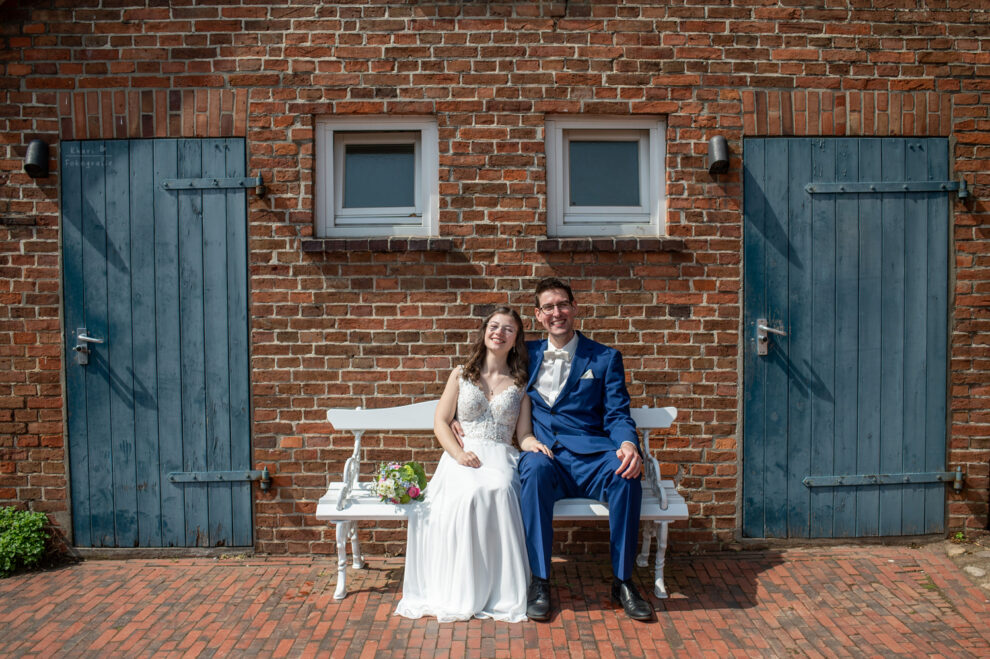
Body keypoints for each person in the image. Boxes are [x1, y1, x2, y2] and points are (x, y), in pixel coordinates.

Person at [395, 307, 554, 622]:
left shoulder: (521, 383)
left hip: (499, 454)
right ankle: (462, 586)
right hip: (462, 454)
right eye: (494, 326)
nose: (499, 332)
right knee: (467, 496)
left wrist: (532, 444)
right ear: (485, 332)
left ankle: (497, 587)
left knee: (499, 489)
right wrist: (458, 453)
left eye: (508, 329)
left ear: (516, 340)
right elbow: (441, 421)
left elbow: (522, 435)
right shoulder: (461, 373)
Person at [519, 277, 652, 621]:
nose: (557, 312)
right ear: (538, 315)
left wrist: (627, 444)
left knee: (626, 474)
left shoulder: (605, 357)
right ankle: (540, 580)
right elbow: (488, 382)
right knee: (532, 470)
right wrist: (457, 416)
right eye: (548, 307)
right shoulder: (525, 354)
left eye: (562, 304)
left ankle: (623, 581)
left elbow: (618, 413)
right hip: (547, 457)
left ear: (575, 309)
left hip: (592, 458)